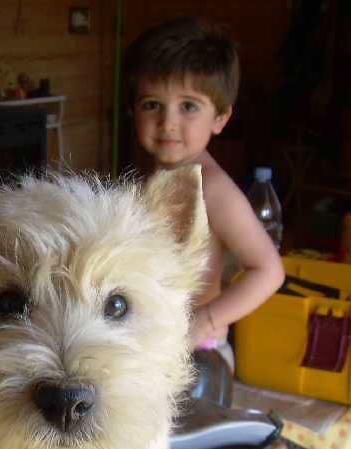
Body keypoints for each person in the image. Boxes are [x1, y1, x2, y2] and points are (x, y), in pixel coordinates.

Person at [122, 17, 285, 372]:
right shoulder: (148, 181)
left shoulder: (212, 188)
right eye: (152, 104)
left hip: (198, 353)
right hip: (152, 345)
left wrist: (202, 322)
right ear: (132, 110)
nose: (167, 121)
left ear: (221, 118)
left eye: (188, 106)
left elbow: (269, 271)